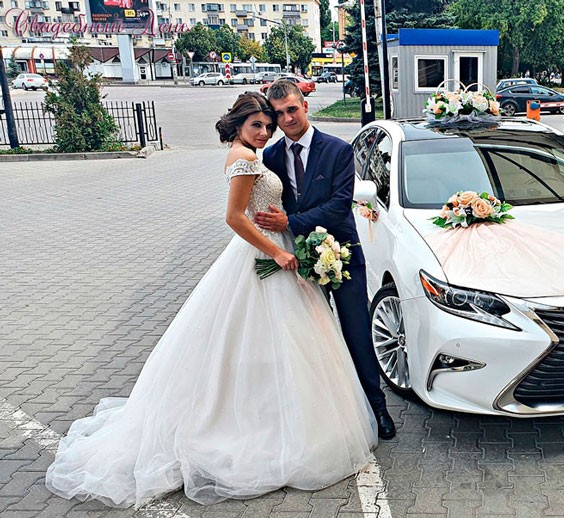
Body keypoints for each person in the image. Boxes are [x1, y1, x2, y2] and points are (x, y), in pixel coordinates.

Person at [45, 92, 377, 508]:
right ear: (238, 125)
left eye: (270, 123)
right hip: (267, 253)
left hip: (293, 245)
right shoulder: (248, 157)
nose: (267, 130)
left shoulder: (268, 153)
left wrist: (285, 234)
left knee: (297, 338)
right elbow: (234, 216)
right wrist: (276, 252)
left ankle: (334, 411)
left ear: (303, 108)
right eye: (259, 123)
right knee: (265, 337)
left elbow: (328, 202)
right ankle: (261, 424)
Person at [253, 80, 396, 440]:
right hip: (298, 258)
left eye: (292, 109)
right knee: (312, 336)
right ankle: (325, 414)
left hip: (343, 254)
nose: (287, 118)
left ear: (305, 106)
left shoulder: (337, 149)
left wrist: (289, 222)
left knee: (356, 332)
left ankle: (377, 407)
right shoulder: (271, 156)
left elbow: (338, 205)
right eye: (279, 114)